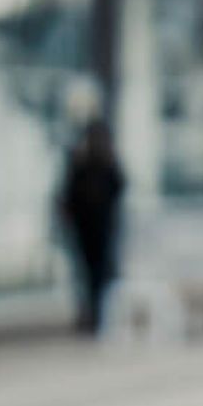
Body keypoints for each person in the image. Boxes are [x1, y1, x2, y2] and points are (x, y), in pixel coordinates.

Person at [59, 119, 126, 335]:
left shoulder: (108, 164)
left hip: (102, 228)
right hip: (85, 229)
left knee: (100, 273)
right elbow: (68, 195)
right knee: (86, 274)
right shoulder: (80, 163)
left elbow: (119, 188)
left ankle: (100, 314)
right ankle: (90, 313)